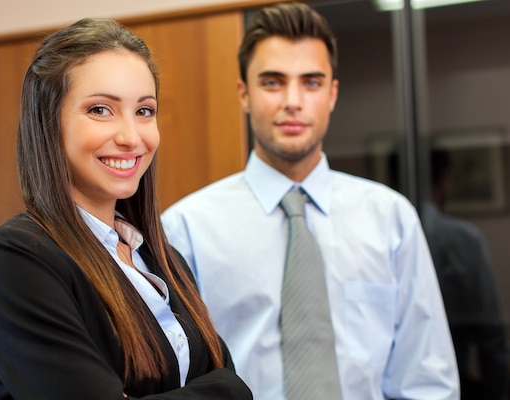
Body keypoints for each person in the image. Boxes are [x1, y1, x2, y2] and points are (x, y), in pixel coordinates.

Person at [161, 2, 459, 399]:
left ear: (333, 94)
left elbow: (426, 379)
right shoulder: (185, 229)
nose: (293, 101)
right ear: (244, 94)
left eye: (311, 82)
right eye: (272, 82)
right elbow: (177, 376)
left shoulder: (391, 218)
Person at [0, 18, 252, 400]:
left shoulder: (160, 259)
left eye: (144, 111)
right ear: (48, 122)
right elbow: (232, 383)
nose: (131, 137)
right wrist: (228, 391)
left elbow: (223, 369)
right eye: (101, 109)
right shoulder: (16, 259)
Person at [421, 148, 508, 399]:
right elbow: (491, 335)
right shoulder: (463, 239)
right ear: (442, 177)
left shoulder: (374, 239)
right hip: (454, 381)